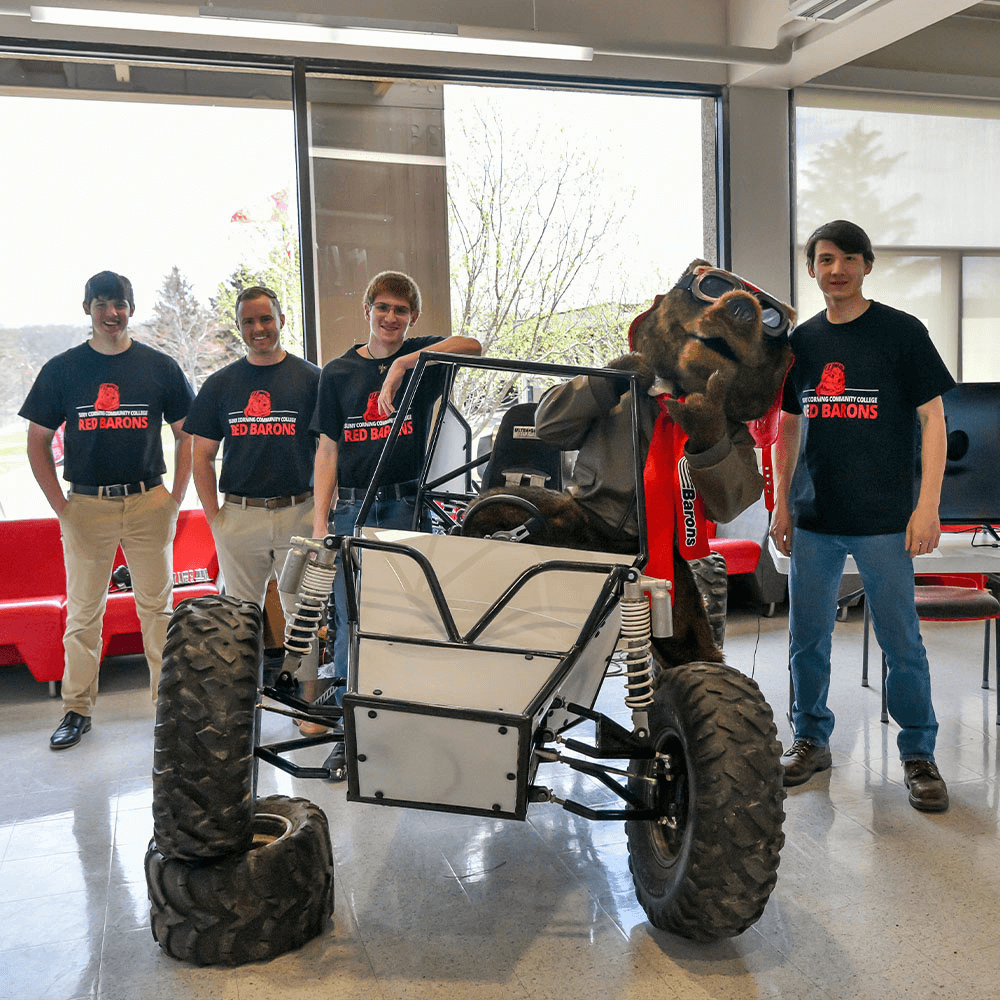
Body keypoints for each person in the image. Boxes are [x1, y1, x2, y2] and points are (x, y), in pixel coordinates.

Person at [770, 219, 955, 812]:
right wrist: (780, 500)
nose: (838, 269)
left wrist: (928, 507)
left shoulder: (902, 333)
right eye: (826, 259)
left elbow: (933, 420)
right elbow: (789, 427)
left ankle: (919, 755)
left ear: (867, 265)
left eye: (850, 258)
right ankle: (810, 741)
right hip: (816, 518)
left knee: (903, 644)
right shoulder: (801, 344)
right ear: (812, 270)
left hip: (887, 521)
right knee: (807, 642)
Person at [311, 270, 481, 776]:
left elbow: (472, 343)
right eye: (382, 308)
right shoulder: (337, 373)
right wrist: (320, 519)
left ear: (412, 318)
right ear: (367, 310)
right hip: (352, 507)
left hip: (406, 506)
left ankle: (406, 722)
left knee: (407, 617)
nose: (390, 318)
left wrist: (406, 362)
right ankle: (349, 732)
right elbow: (327, 447)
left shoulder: (423, 362)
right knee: (351, 622)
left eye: (401, 311)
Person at [19, 270, 194, 750]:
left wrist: (176, 498)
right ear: (87, 309)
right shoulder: (64, 369)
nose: (111, 314)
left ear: (130, 308)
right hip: (87, 506)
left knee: (157, 611)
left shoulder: (158, 367)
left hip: (147, 502)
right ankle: (77, 709)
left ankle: (167, 709)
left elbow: (187, 434)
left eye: (118, 304)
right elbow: (36, 439)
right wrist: (62, 506)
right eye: (101, 304)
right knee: (83, 614)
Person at [183, 285, 322, 712]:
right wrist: (215, 519)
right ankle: (241, 708)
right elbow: (200, 456)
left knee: (305, 617)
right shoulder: (221, 384)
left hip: (300, 512)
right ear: (240, 326)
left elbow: (331, 450)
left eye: (266, 319)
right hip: (240, 517)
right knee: (239, 621)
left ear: (281, 320)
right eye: (248, 321)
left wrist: (322, 510)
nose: (258, 328)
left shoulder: (312, 379)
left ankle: (309, 706)